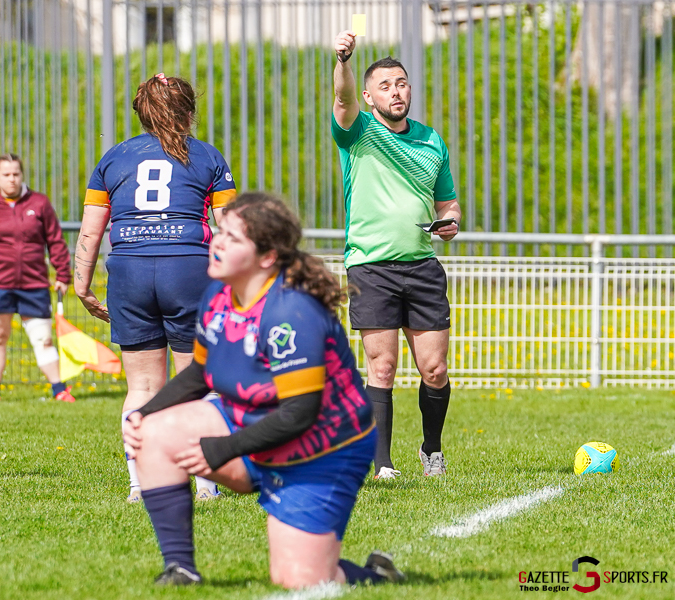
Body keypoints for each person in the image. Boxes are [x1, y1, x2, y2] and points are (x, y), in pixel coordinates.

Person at [123, 193, 405, 587]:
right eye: (219, 232)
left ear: (268, 257)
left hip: (323, 449)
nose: (217, 242)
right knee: (152, 432)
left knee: (300, 579)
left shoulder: (291, 311)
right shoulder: (218, 295)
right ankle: (180, 569)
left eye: (232, 238)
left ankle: (376, 576)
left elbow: (299, 414)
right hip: (257, 426)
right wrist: (144, 413)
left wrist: (220, 449)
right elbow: (202, 372)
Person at [75, 73, 235, 503]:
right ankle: (204, 483)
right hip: (188, 269)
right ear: (189, 110)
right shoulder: (208, 157)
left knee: (142, 387)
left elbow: (91, 233)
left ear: (140, 111)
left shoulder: (113, 159)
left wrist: (82, 286)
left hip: (128, 269)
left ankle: (139, 484)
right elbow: (233, 228)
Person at [332, 31, 462, 480]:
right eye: (385, 86)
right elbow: (342, 96)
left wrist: (450, 222)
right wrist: (344, 60)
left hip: (422, 265)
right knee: (382, 367)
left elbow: (447, 202)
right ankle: (382, 463)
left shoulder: (431, 141)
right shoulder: (358, 131)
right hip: (370, 264)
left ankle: (431, 450)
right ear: (369, 96)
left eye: (401, 83)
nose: (396, 91)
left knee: (435, 368)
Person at [0, 153, 75, 403]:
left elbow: (56, 242)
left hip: (34, 283)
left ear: (22, 175)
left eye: (16, 174)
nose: (12, 179)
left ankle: (59, 390)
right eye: (6, 175)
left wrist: (63, 273)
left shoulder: (40, 203)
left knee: (43, 337)